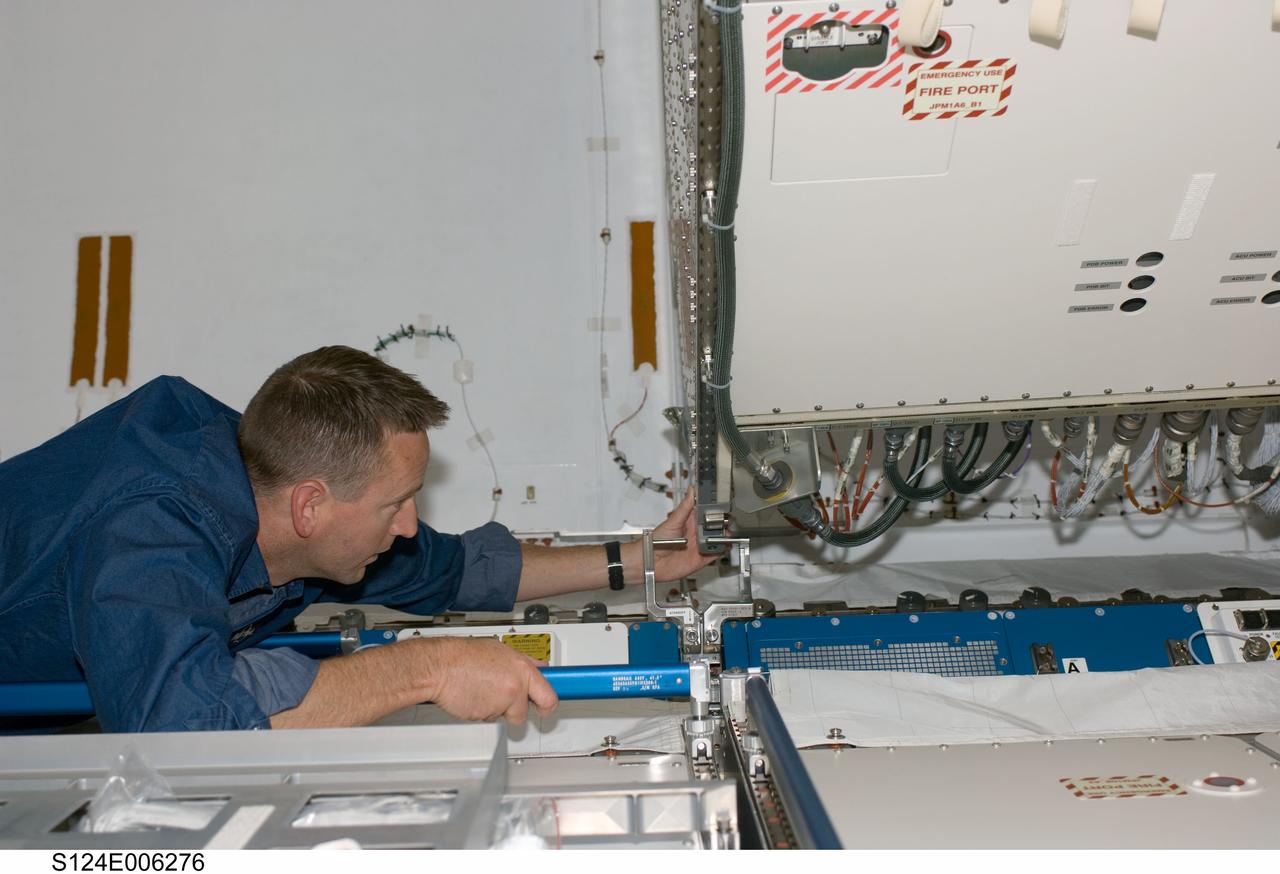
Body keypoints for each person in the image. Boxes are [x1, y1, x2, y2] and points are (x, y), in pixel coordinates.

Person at [0, 346, 714, 732]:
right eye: (396, 505)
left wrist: (649, 559)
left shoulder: (281, 490)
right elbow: (180, 719)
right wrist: (428, 670)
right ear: (311, 505)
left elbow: (455, 572)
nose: (409, 525)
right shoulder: (153, 526)